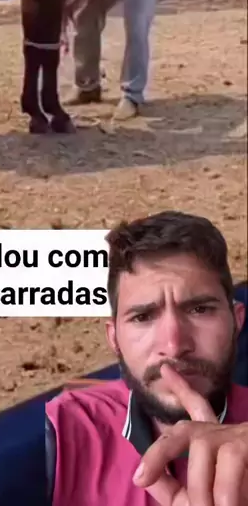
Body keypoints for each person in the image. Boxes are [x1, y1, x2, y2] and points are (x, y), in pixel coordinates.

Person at [45, 211, 248, 506]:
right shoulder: (64, 429)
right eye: (143, 317)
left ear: (237, 321)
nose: (174, 346)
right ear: (114, 338)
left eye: (200, 310)